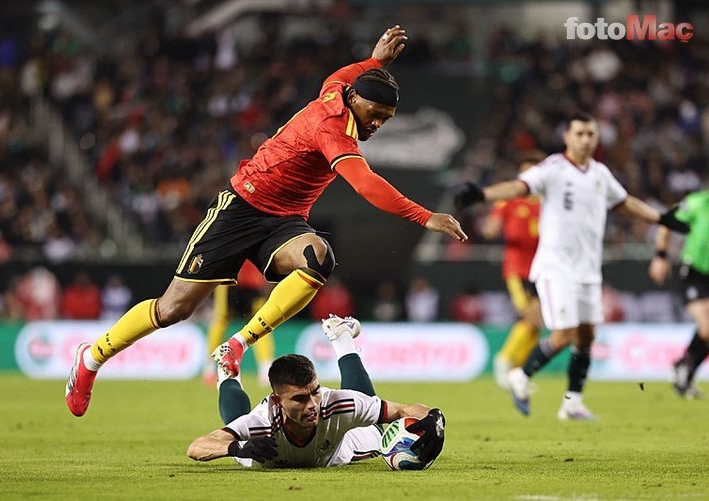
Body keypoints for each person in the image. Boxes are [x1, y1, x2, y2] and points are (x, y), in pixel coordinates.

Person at [65, 25, 467, 417]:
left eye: (386, 118)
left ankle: (238, 345)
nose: (377, 123)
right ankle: (92, 357)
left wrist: (375, 62)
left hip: (284, 221)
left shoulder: (338, 88)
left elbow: (347, 74)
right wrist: (425, 216)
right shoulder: (331, 129)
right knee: (173, 309)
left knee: (318, 258)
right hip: (240, 208)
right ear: (354, 99)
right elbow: (365, 185)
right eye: (375, 113)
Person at [454, 112, 689, 420]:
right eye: (579, 134)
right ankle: (520, 375)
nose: (585, 139)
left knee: (587, 336)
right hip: (556, 268)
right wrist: (483, 194)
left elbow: (625, 202)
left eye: (591, 134)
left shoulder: (600, 173)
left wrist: (660, 218)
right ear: (567, 137)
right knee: (564, 333)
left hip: (588, 270)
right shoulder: (553, 168)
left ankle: (572, 402)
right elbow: (518, 187)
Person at [187, 315, 445, 468]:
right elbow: (197, 447)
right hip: (261, 451)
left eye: (314, 392)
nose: (312, 404)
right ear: (277, 401)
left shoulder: (335, 404)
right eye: (299, 399)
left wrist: (434, 419)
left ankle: (340, 335)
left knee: (374, 423)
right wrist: (237, 448)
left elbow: (402, 410)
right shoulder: (261, 423)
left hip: (338, 450)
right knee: (236, 422)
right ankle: (226, 370)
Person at [479, 152, 545, 389]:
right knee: (531, 317)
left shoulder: (548, 202)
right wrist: (490, 226)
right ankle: (505, 360)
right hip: (518, 270)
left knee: (537, 324)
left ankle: (517, 372)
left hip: (543, 270)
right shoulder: (509, 201)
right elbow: (491, 228)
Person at [648, 189, 708, 398]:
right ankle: (683, 368)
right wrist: (661, 255)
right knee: (707, 327)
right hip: (694, 273)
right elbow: (667, 221)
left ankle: (684, 372)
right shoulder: (698, 203)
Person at [203, 261, 275, 387]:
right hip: (230, 280)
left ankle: (265, 368)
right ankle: (209, 368)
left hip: (251, 281)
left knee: (262, 322)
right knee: (222, 320)